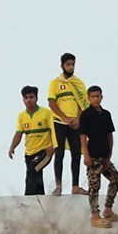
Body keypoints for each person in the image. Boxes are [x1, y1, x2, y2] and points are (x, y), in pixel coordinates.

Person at [78, 85, 118, 229]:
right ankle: (95, 215)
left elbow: (110, 134)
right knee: (94, 186)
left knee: (115, 179)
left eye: (98, 96)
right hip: (93, 156)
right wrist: (86, 156)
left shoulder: (106, 114)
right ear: (88, 98)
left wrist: (110, 153)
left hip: (104, 156)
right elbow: (82, 136)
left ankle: (108, 209)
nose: (96, 99)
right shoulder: (86, 114)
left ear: (101, 97)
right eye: (93, 96)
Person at [47, 53, 90, 196]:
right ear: (62, 66)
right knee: (59, 154)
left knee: (76, 153)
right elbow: (52, 103)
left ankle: (75, 186)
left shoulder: (79, 84)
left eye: (72, 64)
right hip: (60, 122)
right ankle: (58, 185)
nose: (71, 67)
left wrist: (78, 119)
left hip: (75, 123)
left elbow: (83, 103)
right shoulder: (55, 83)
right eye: (68, 64)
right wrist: (64, 118)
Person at [8, 86, 58, 196]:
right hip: (29, 152)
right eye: (26, 98)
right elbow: (18, 133)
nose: (28, 100)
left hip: (45, 151)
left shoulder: (46, 113)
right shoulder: (22, 116)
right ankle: (40, 198)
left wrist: (53, 146)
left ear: (36, 98)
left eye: (31, 97)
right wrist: (12, 147)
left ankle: (28, 198)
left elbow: (54, 131)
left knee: (32, 170)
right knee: (36, 175)